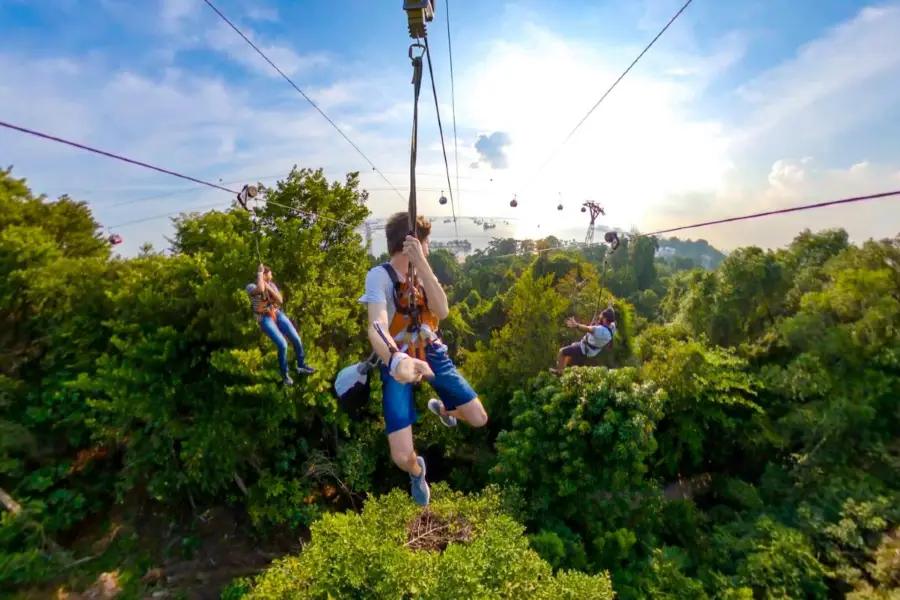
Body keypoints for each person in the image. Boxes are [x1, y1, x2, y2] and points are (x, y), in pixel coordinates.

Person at [359, 212, 488, 507]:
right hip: (398, 353)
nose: (428, 248)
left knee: (478, 418)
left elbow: (442, 312)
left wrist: (423, 266)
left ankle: (444, 409)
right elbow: (376, 325)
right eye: (426, 243)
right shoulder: (380, 276)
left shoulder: (423, 274)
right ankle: (418, 472)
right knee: (401, 456)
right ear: (416, 242)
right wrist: (396, 361)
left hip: (430, 350)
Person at [246, 264, 316, 386]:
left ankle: (301, 364)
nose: (272, 276)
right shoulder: (250, 286)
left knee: (296, 338)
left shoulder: (271, 285)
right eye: (270, 274)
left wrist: (269, 287)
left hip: (276, 313)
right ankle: (285, 375)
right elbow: (260, 290)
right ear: (265, 275)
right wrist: (260, 274)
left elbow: (280, 300)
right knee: (283, 344)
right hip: (264, 318)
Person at [550, 307, 616, 376]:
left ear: (605, 319)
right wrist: (610, 306)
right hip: (593, 351)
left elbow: (587, 328)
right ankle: (565, 368)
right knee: (573, 345)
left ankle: (559, 373)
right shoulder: (612, 328)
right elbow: (610, 315)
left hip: (584, 348)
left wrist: (576, 325)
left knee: (561, 352)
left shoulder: (600, 331)